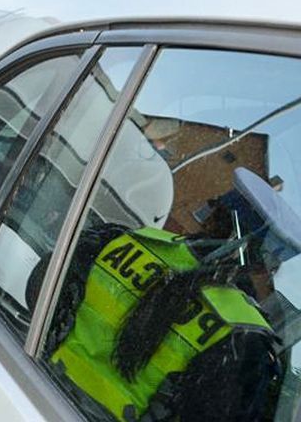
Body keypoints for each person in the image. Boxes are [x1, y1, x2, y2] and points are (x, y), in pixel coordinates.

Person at [46, 179, 287, 422]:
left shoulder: (121, 241)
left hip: (38, 388)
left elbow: (39, 291)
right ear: (261, 264)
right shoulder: (245, 338)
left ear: (210, 216)